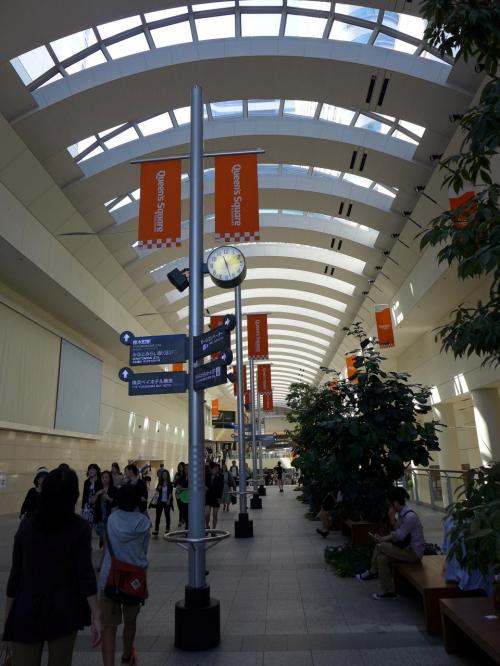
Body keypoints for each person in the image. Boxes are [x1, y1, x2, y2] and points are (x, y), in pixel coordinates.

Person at [3, 466, 101, 665]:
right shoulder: (79, 528)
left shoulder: (27, 526)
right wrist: (96, 615)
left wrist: (7, 620)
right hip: (64, 608)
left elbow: (15, 576)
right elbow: (86, 575)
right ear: (73, 496)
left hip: (27, 607)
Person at [99, 484, 150, 666]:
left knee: (108, 626)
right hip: (134, 580)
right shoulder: (143, 522)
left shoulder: (112, 519)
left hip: (110, 578)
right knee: (130, 621)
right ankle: (127, 655)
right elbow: (144, 549)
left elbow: (106, 546)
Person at [356, 487, 425, 599]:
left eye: (390, 504)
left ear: (395, 502)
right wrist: (392, 520)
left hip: (413, 554)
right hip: (405, 550)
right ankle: (387, 591)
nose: (389, 507)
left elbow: (400, 535)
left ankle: (372, 571)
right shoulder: (402, 514)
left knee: (380, 545)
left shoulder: (410, 516)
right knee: (381, 558)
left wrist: (383, 539)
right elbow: (398, 532)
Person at [94, 470, 117, 553]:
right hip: (100, 514)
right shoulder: (98, 489)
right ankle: (102, 539)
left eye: (106, 477)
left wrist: (108, 498)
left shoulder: (114, 489)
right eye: (103, 477)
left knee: (108, 534)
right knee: (101, 532)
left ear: (110, 479)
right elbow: (92, 501)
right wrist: (97, 494)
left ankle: (106, 548)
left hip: (110, 514)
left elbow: (116, 502)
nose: (104, 479)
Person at [152, 469, 173, 537]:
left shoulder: (170, 483)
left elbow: (170, 493)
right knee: (158, 516)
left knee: (167, 516)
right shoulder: (160, 483)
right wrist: (159, 488)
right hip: (160, 502)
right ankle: (156, 529)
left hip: (167, 502)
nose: (164, 476)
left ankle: (167, 529)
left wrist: (169, 500)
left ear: (167, 475)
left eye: (165, 474)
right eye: (163, 475)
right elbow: (157, 491)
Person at [82, 463, 102, 529]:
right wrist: (83, 507)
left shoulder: (100, 481)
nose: (91, 471)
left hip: (96, 506)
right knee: (87, 526)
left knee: (96, 526)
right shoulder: (86, 482)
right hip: (87, 507)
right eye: (90, 469)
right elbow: (84, 495)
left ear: (97, 471)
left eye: (93, 469)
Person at [205, 462, 224, 530]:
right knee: (207, 513)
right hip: (208, 496)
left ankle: (213, 530)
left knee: (215, 515)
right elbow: (203, 483)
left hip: (216, 497)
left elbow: (221, 488)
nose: (216, 470)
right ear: (211, 469)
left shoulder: (220, 476)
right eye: (215, 469)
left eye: (217, 469)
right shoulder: (206, 476)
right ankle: (207, 525)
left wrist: (220, 497)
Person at [173, 462, 188, 529]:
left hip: (188, 497)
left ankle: (187, 526)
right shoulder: (181, 476)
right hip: (181, 495)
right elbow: (177, 485)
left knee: (187, 512)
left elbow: (192, 488)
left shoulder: (192, 477)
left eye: (187, 469)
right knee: (182, 510)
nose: (186, 470)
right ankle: (183, 521)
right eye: (185, 469)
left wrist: (183, 489)